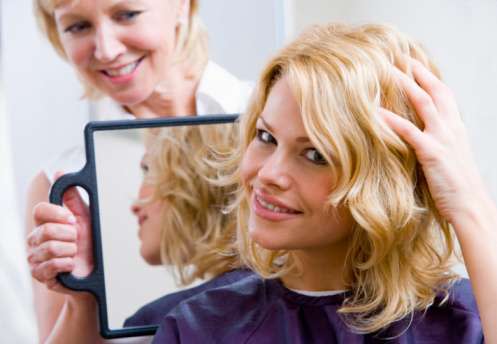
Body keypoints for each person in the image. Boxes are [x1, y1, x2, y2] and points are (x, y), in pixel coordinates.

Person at [152, 23, 497, 343]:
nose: (269, 173)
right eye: (266, 136)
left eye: (315, 155)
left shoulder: (466, 322)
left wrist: (469, 205)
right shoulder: (197, 329)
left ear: (384, 180)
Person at [27, 0, 251, 340]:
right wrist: (80, 300)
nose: (106, 50)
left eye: (126, 15)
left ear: (182, 6)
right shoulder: (60, 181)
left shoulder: (271, 118)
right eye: (77, 26)